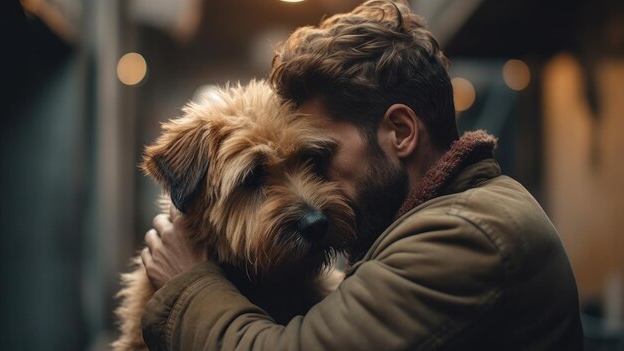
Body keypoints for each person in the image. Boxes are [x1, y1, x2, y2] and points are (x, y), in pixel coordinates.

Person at [140, 1, 584, 349]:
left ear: (401, 132)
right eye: (259, 178)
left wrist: (187, 285)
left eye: (319, 156)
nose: (317, 190)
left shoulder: (465, 234)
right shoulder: (436, 220)